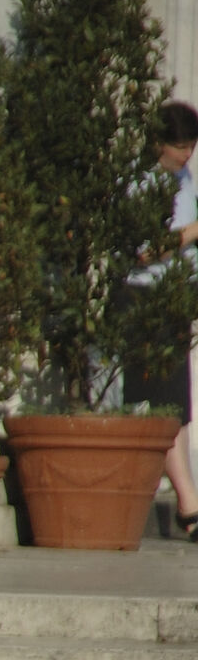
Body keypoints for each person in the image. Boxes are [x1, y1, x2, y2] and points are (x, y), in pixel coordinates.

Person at [135, 101, 198, 536]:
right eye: (180, 146)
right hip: (147, 296)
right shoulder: (141, 181)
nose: (187, 154)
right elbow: (144, 248)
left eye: (192, 146)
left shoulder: (185, 177)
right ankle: (188, 503)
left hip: (176, 293)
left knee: (177, 403)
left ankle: (188, 499)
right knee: (166, 402)